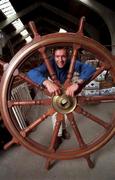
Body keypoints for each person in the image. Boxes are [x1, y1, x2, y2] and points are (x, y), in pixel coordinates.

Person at [27, 46, 96, 149]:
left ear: (67, 56)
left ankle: (63, 131)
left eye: (63, 56)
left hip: (67, 89)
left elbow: (90, 69)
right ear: (53, 56)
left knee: (65, 110)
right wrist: (46, 82)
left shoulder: (71, 62)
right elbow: (31, 73)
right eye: (57, 56)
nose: (60, 60)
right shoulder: (49, 63)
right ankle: (58, 136)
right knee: (56, 112)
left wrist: (78, 83)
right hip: (53, 90)